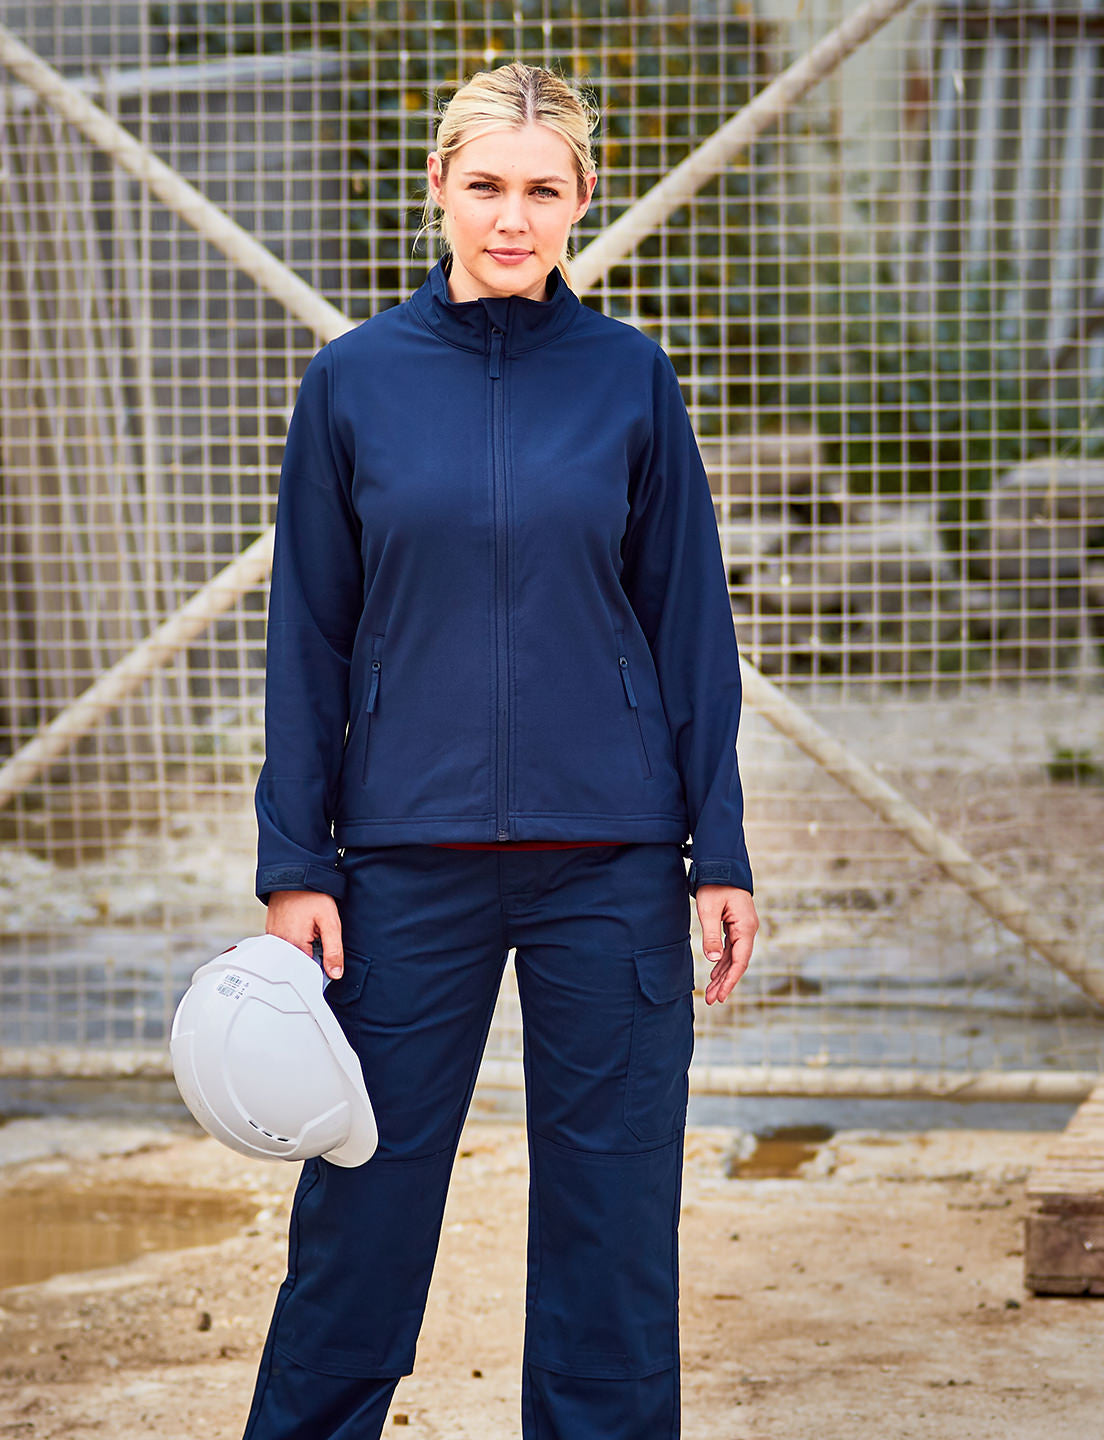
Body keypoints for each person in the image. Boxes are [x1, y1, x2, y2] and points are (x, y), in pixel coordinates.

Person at [242, 59, 758, 1440]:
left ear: (583, 197)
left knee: (613, 1223)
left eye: (541, 189)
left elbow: (689, 627)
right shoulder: (353, 383)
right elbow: (309, 636)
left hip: (613, 864)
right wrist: (297, 863)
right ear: (439, 189)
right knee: (361, 1206)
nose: (512, 218)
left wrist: (718, 850)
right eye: (485, 186)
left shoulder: (631, 381)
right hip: (403, 865)